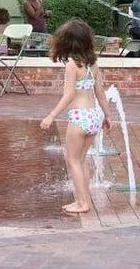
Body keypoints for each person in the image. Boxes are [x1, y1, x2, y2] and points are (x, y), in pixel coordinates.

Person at [40, 19, 111, 214]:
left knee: (73, 161)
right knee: (81, 160)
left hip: (79, 118)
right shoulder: (93, 63)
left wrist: (51, 116)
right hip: (94, 116)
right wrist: (107, 115)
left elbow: (69, 94)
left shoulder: (71, 64)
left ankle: (83, 203)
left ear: (67, 41)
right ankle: (82, 200)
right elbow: (101, 93)